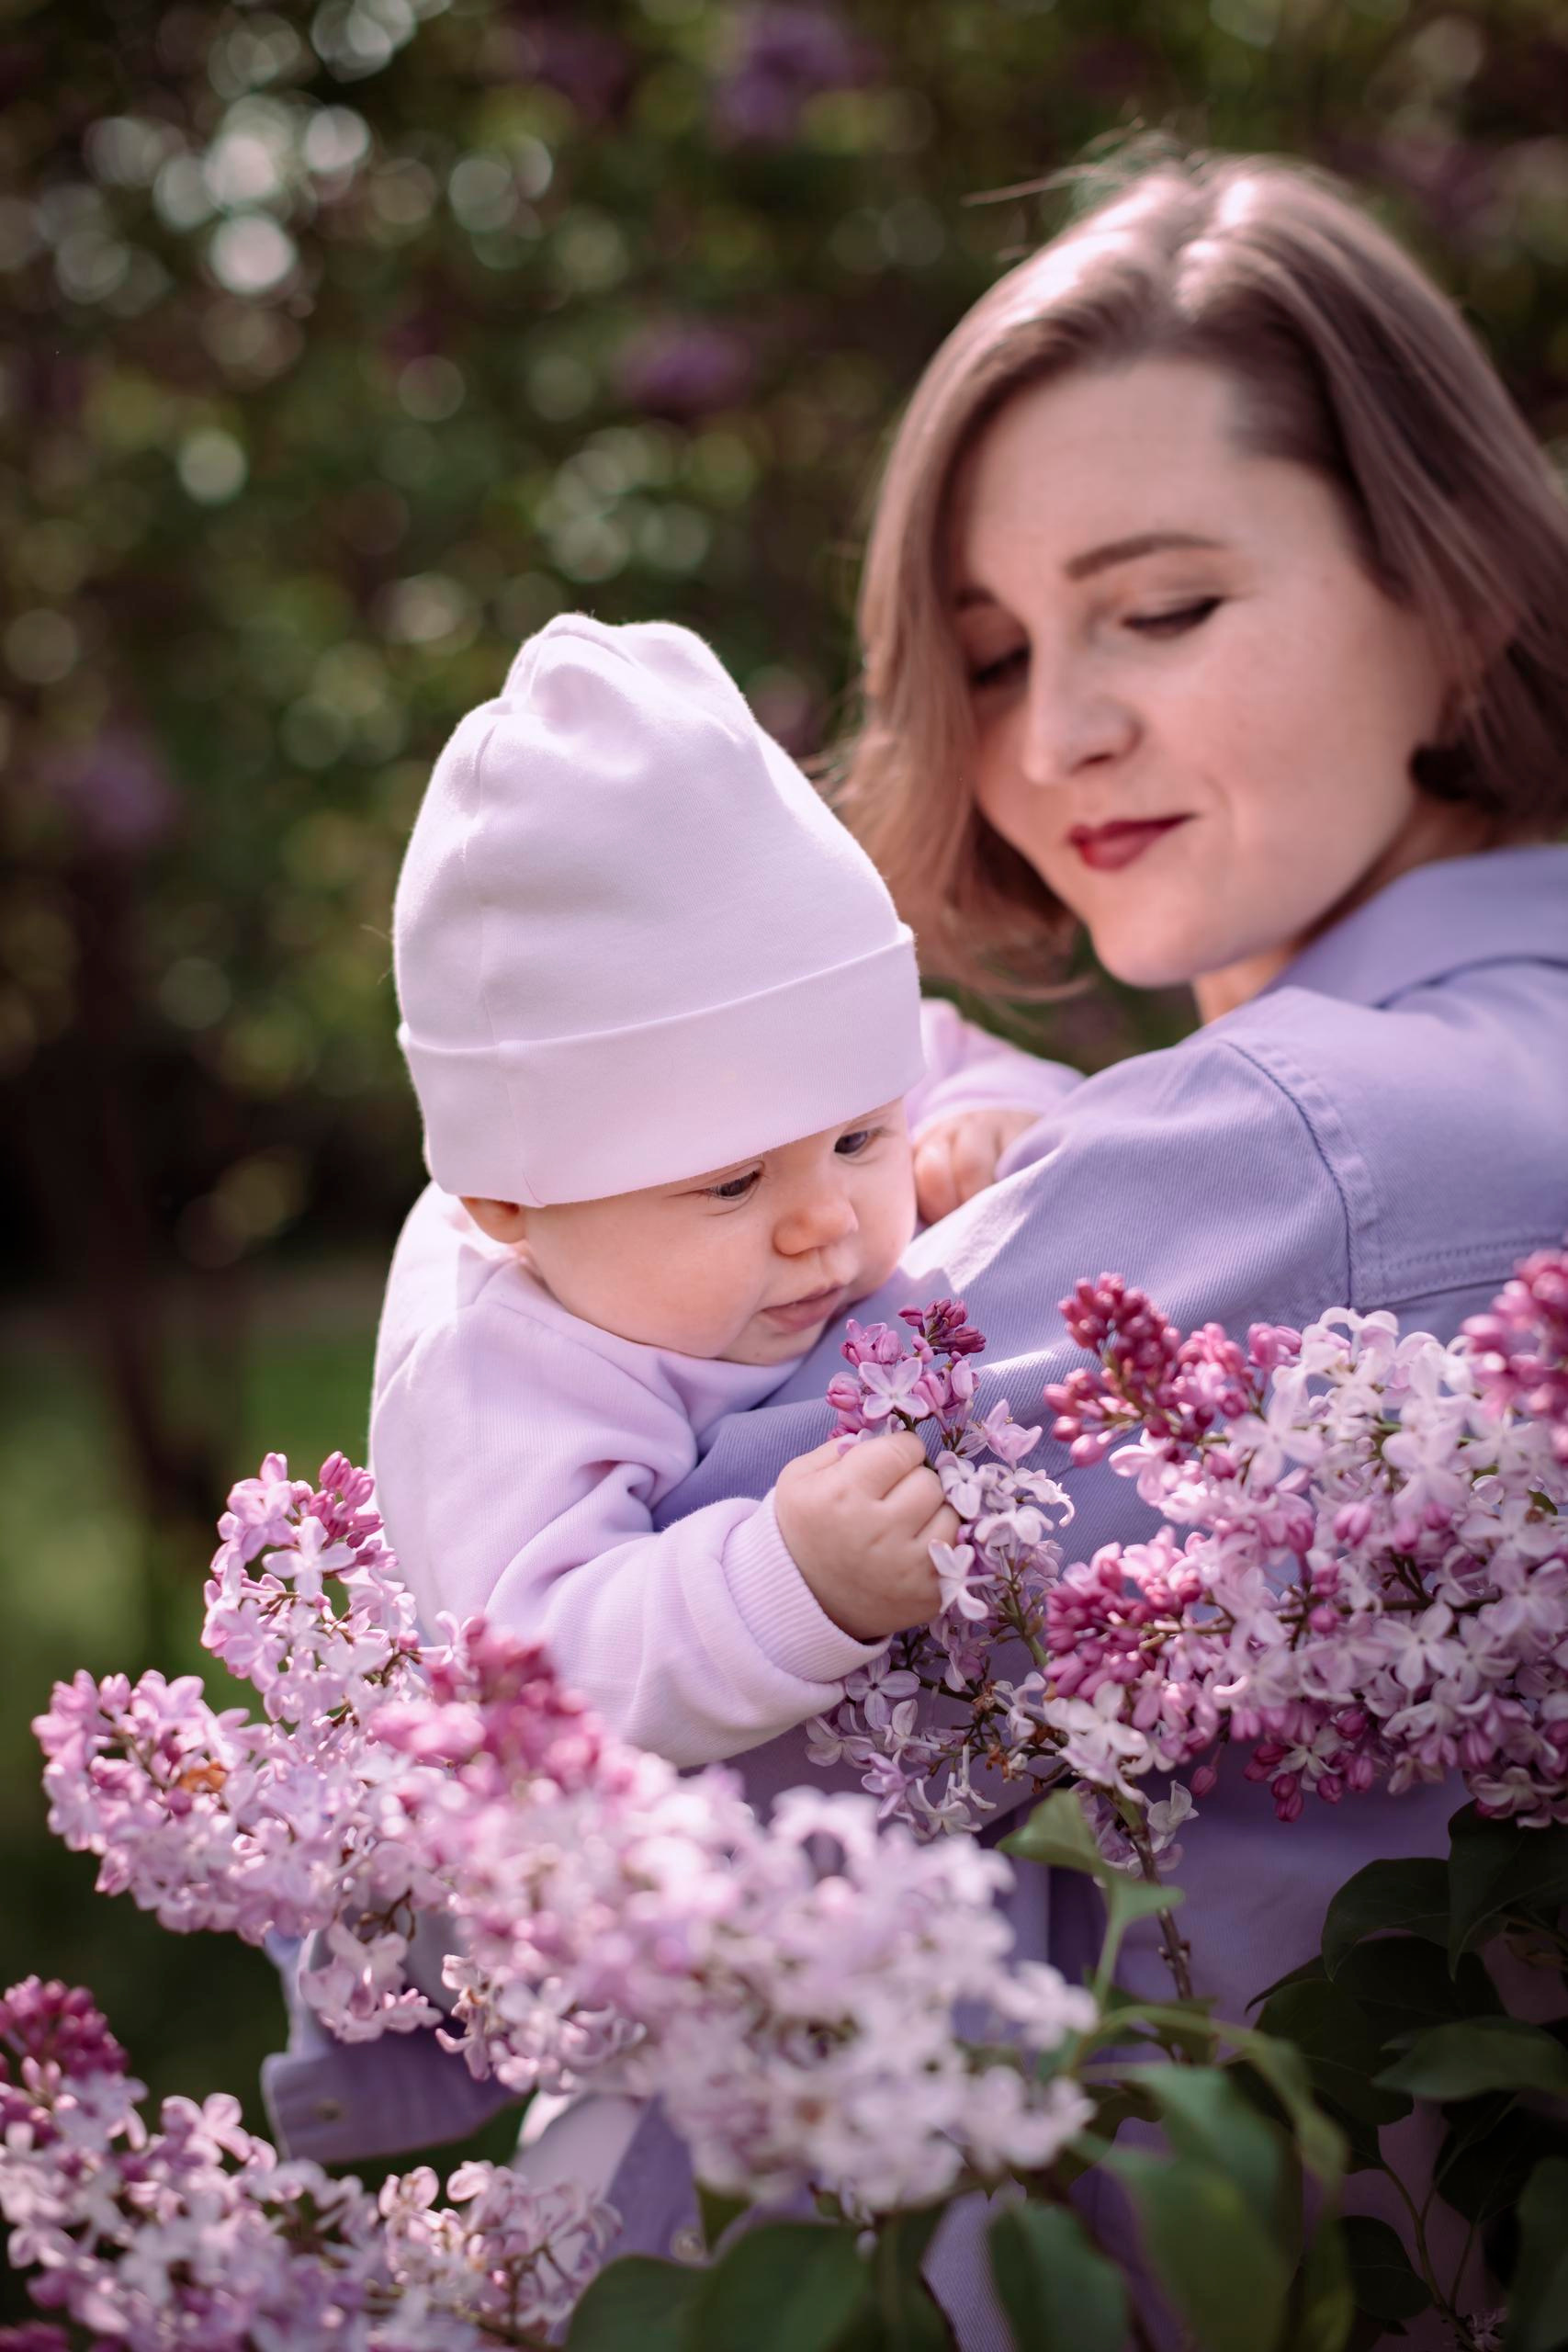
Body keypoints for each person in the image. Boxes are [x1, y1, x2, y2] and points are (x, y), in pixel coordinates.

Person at [265, 151, 1568, 2344]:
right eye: (983, 650)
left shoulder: (1294, 1148)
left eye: (1155, 606)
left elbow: (472, 1741)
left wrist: (480, 1272)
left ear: (1443, 585)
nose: (1047, 734)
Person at [374, 611, 1075, 1770]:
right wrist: (791, 1583)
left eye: (859, 1139)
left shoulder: (833, 1081)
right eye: (734, 1183)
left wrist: (988, 1116)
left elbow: (952, 1060)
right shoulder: (497, 1370)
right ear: (507, 1205)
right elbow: (545, 1666)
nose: (824, 1219)